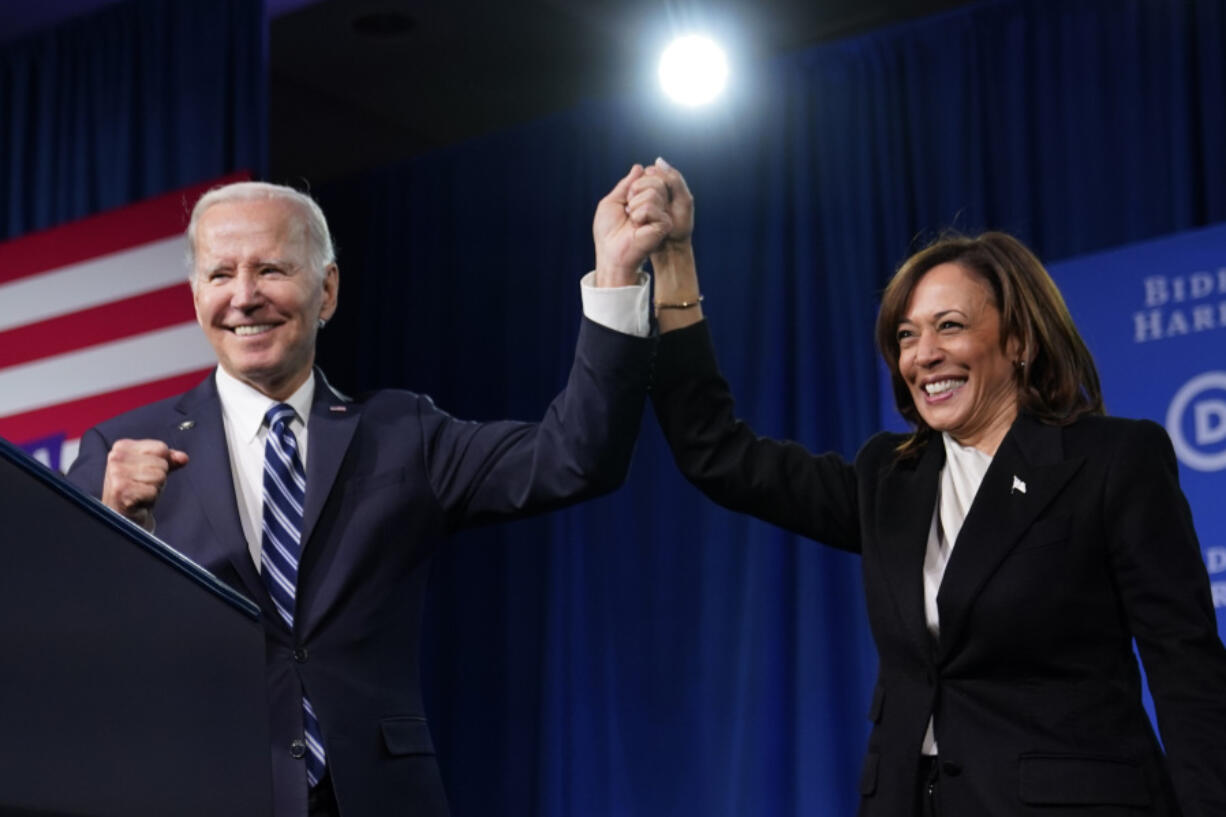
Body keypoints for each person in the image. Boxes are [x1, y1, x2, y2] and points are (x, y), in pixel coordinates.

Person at [65, 165, 675, 817]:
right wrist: (115, 528)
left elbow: (575, 458)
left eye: (270, 269)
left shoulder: (400, 430)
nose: (243, 296)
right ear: (195, 295)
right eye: (220, 274)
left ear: (326, 290)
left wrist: (614, 278)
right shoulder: (120, 452)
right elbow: (63, 652)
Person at [641, 162, 1226, 815]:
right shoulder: (889, 477)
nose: (923, 354)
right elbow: (717, 454)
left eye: (949, 325)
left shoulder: (1113, 461)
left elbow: (1188, 671)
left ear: (1019, 339)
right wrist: (673, 265)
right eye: (906, 335)